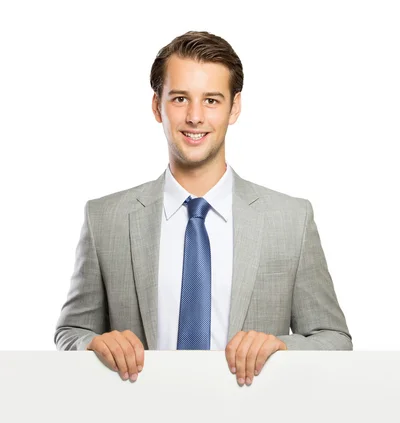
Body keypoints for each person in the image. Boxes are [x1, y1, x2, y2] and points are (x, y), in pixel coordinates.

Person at [54, 30, 352, 387]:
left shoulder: (291, 220)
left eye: (211, 100)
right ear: (156, 106)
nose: (195, 117)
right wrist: (93, 343)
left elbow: (335, 340)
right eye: (180, 98)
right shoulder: (105, 219)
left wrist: (280, 348)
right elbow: (71, 331)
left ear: (234, 107)